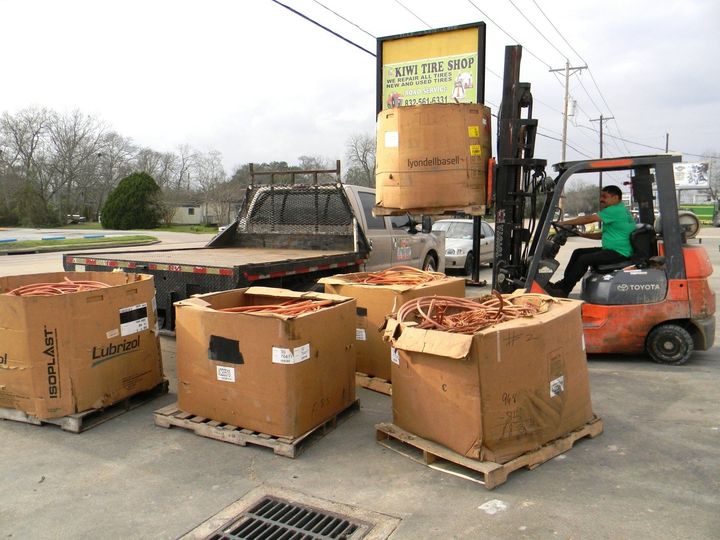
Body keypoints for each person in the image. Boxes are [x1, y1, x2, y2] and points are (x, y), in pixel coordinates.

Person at [547, 185, 636, 297]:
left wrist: (564, 223)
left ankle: (564, 289)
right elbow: (601, 235)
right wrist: (582, 234)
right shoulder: (620, 210)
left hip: (619, 253)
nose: (601, 199)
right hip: (616, 250)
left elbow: (588, 219)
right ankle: (563, 284)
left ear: (616, 198)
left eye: (605, 196)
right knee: (578, 252)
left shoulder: (615, 210)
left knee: (584, 259)